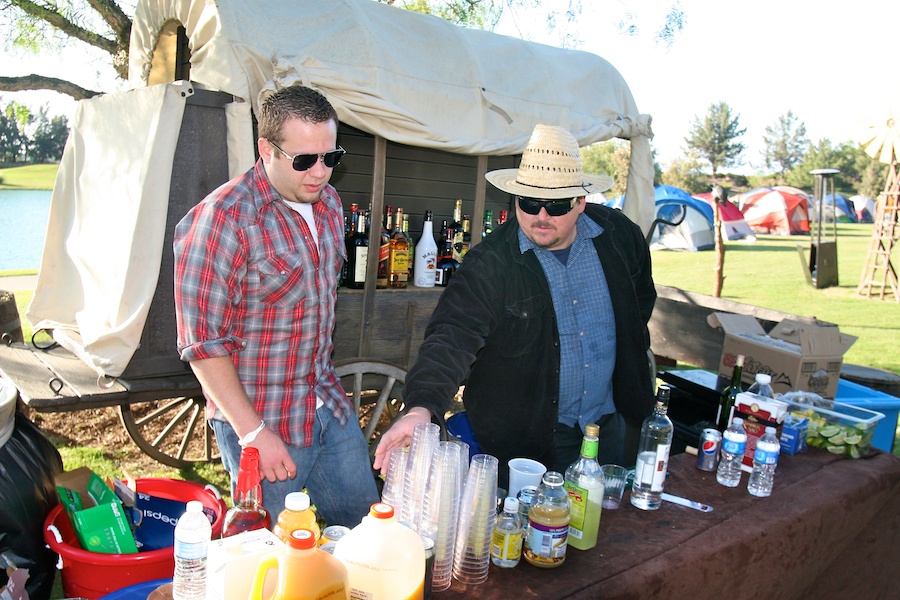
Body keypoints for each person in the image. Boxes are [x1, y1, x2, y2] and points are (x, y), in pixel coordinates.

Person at [374, 124, 657, 487]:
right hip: (532, 442)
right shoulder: (490, 264)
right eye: (528, 202)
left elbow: (639, 303)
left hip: (611, 426)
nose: (540, 216)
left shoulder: (619, 237)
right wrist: (421, 408)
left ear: (581, 201)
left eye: (555, 205)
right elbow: (450, 340)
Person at [174, 85, 379, 527]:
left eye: (331, 157)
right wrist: (252, 434)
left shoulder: (327, 205)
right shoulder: (222, 219)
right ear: (266, 149)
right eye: (304, 160)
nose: (321, 172)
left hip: (326, 401)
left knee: (364, 532)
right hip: (261, 417)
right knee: (263, 549)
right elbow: (202, 344)